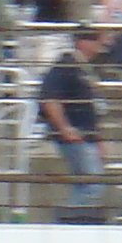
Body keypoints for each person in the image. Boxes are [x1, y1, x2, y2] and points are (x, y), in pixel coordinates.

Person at [39, 27, 108, 222]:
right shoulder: (65, 66)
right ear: (82, 42)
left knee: (84, 185)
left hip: (87, 137)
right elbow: (50, 99)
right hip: (76, 138)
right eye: (94, 41)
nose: (98, 47)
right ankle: (68, 225)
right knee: (92, 185)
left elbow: (92, 109)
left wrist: (99, 139)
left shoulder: (84, 68)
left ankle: (70, 225)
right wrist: (65, 128)